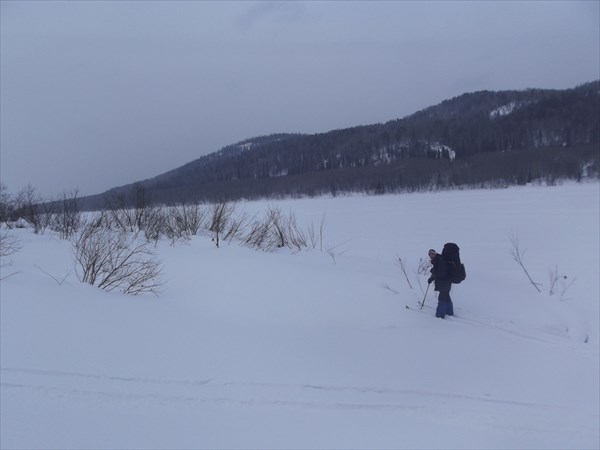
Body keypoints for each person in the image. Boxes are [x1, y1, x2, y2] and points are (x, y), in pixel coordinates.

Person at [427, 248, 454, 319]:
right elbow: (438, 271)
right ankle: (449, 312)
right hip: (445, 281)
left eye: (432, 254)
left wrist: (434, 271)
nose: (431, 256)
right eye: (430, 255)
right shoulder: (437, 260)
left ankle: (440, 315)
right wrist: (431, 278)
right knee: (446, 296)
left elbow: (441, 273)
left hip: (444, 282)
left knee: (442, 298)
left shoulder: (440, 260)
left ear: (435, 253)